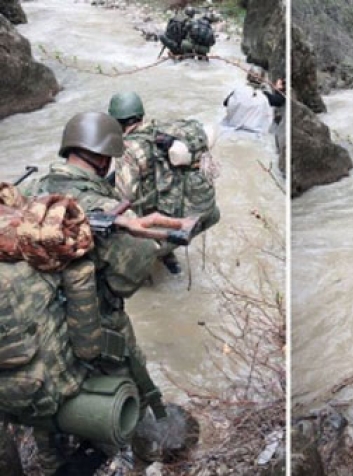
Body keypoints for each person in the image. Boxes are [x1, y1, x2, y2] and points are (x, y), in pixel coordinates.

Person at [23, 112, 167, 473]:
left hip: (36, 327)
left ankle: (52, 460)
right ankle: (139, 453)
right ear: (103, 159)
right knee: (128, 382)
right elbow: (130, 275)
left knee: (49, 395)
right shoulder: (98, 207)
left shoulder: (32, 191)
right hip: (93, 322)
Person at [108, 91, 220, 274]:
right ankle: (168, 257)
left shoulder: (128, 150)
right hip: (195, 213)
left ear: (116, 122)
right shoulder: (163, 132)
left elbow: (125, 197)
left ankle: (150, 262)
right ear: (141, 116)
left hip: (160, 220)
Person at [222, 65, 285, 133]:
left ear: (248, 77)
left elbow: (225, 103)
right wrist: (279, 89)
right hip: (253, 133)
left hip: (231, 129)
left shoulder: (237, 91)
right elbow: (279, 101)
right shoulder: (264, 95)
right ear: (262, 79)